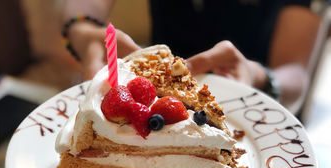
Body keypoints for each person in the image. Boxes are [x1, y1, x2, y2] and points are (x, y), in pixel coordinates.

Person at [63, 0, 321, 115]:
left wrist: (258, 76)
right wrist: (82, 32)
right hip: (156, 100)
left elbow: (295, 72)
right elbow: (82, 11)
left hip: (245, 115)